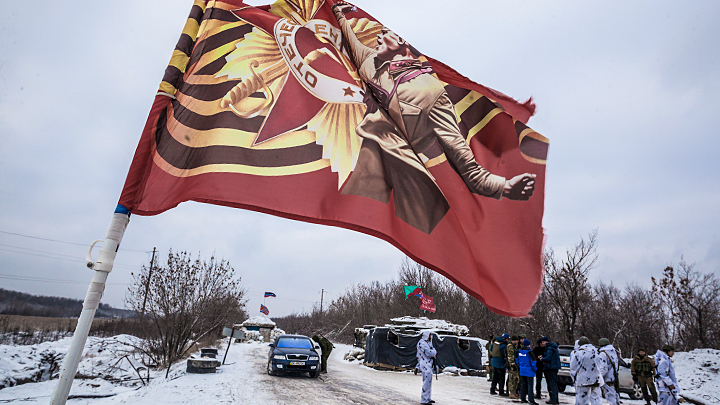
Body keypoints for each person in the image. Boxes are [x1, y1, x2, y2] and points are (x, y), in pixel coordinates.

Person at [331, 1, 537, 234]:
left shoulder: (430, 90)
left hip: (405, 179)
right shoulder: (369, 62)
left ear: (401, 44)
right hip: (363, 165)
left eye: (385, 34)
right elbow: (349, 39)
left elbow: (467, 167)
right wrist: (335, 9)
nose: (378, 37)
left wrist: (505, 186)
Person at [571, 337, 602, 405]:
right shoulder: (595, 352)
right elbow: (600, 364)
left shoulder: (578, 353)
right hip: (595, 379)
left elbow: (573, 367)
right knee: (596, 398)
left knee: (582, 399)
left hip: (583, 379)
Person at [596, 338, 620, 405]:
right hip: (613, 376)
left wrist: (598, 377)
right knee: (615, 394)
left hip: (607, 378)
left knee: (610, 396)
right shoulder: (613, 352)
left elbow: (603, 368)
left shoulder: (603, 354)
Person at [416, 330, 437, 405]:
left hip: (428, 364)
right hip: (425, 365)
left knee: (429, 382)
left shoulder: (427, 343)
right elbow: (428, 353)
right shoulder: (422, 343)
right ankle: (424, 400)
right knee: (426, 383)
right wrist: (434, 352)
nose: (430, 337)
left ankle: (427, 398)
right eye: (429, 335)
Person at [540, 336, 561, 405]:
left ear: (546, 342)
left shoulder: (549, 348)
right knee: (553, 384)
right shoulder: (553, 347)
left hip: (550, 368)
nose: (542, 343)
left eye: (543, 342)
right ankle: (555, 399)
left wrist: (542, 359)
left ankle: (553, 399)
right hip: (554, 368)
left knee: (551, 384)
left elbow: (548, 358)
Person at [518, 338, 538, 405]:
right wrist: (535, 369)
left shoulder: (519, 352)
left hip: (522, 370)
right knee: (530, 386)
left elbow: (517, 361)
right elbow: (533, 362)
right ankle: (531, 400)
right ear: (528, 345)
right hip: (529, 371)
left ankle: (522, 398)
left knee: (523, 385)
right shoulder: (530, 353)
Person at [507, 335, 521, 399]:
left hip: (515, 364)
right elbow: (510, 356)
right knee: (513, 379)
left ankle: (514, 392)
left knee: (516, 379)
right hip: (512, 365)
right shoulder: (510, 346)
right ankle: (512, 393)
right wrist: (512, 364)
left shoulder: (514, 346)